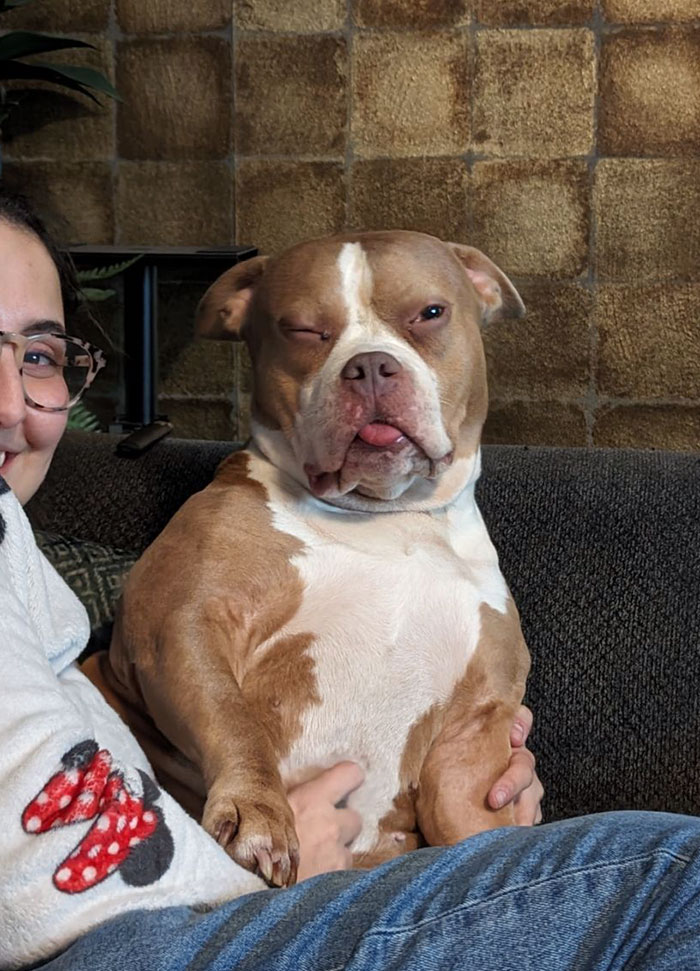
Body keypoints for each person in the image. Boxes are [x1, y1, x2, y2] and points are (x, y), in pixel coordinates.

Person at [1, 189, 699, 971]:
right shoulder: (236, 520)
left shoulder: (477, 581)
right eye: (308, 332)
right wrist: (249, 800)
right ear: (248, 326)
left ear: (482, 301)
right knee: (682, 876)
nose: (370, 366)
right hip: (188, 915)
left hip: (352, 904)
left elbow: (474, 812)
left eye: (424, 320)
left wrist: (503, 848)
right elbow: (164, 640)